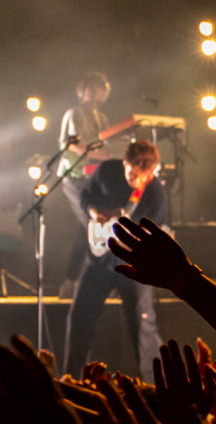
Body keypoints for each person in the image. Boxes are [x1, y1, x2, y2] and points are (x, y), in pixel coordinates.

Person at [63, 139, 165, 376]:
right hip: (98, 259)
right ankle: (71, 380)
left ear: (151, 172)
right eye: (131, 173)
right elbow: (85, 195)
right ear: (124, 162)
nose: (136, 180)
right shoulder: (107, 170)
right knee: (79, 317)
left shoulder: (154, 192)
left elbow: (155, 231)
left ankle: (152, 388)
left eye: (143, 176)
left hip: (133, 266)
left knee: (142, 326)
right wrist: (93, 212)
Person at [55, 72, 118, 299]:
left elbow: (110, 141)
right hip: (73, 176)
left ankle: (72, 282)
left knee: (86, 228)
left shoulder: (102, 118)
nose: (94, 93)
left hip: (92, 178)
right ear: (81, 92)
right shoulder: (74, 113)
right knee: (91, 222)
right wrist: (102, 155)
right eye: (90, 88)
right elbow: (73, 144)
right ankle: (92, 281)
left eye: (99, 89)